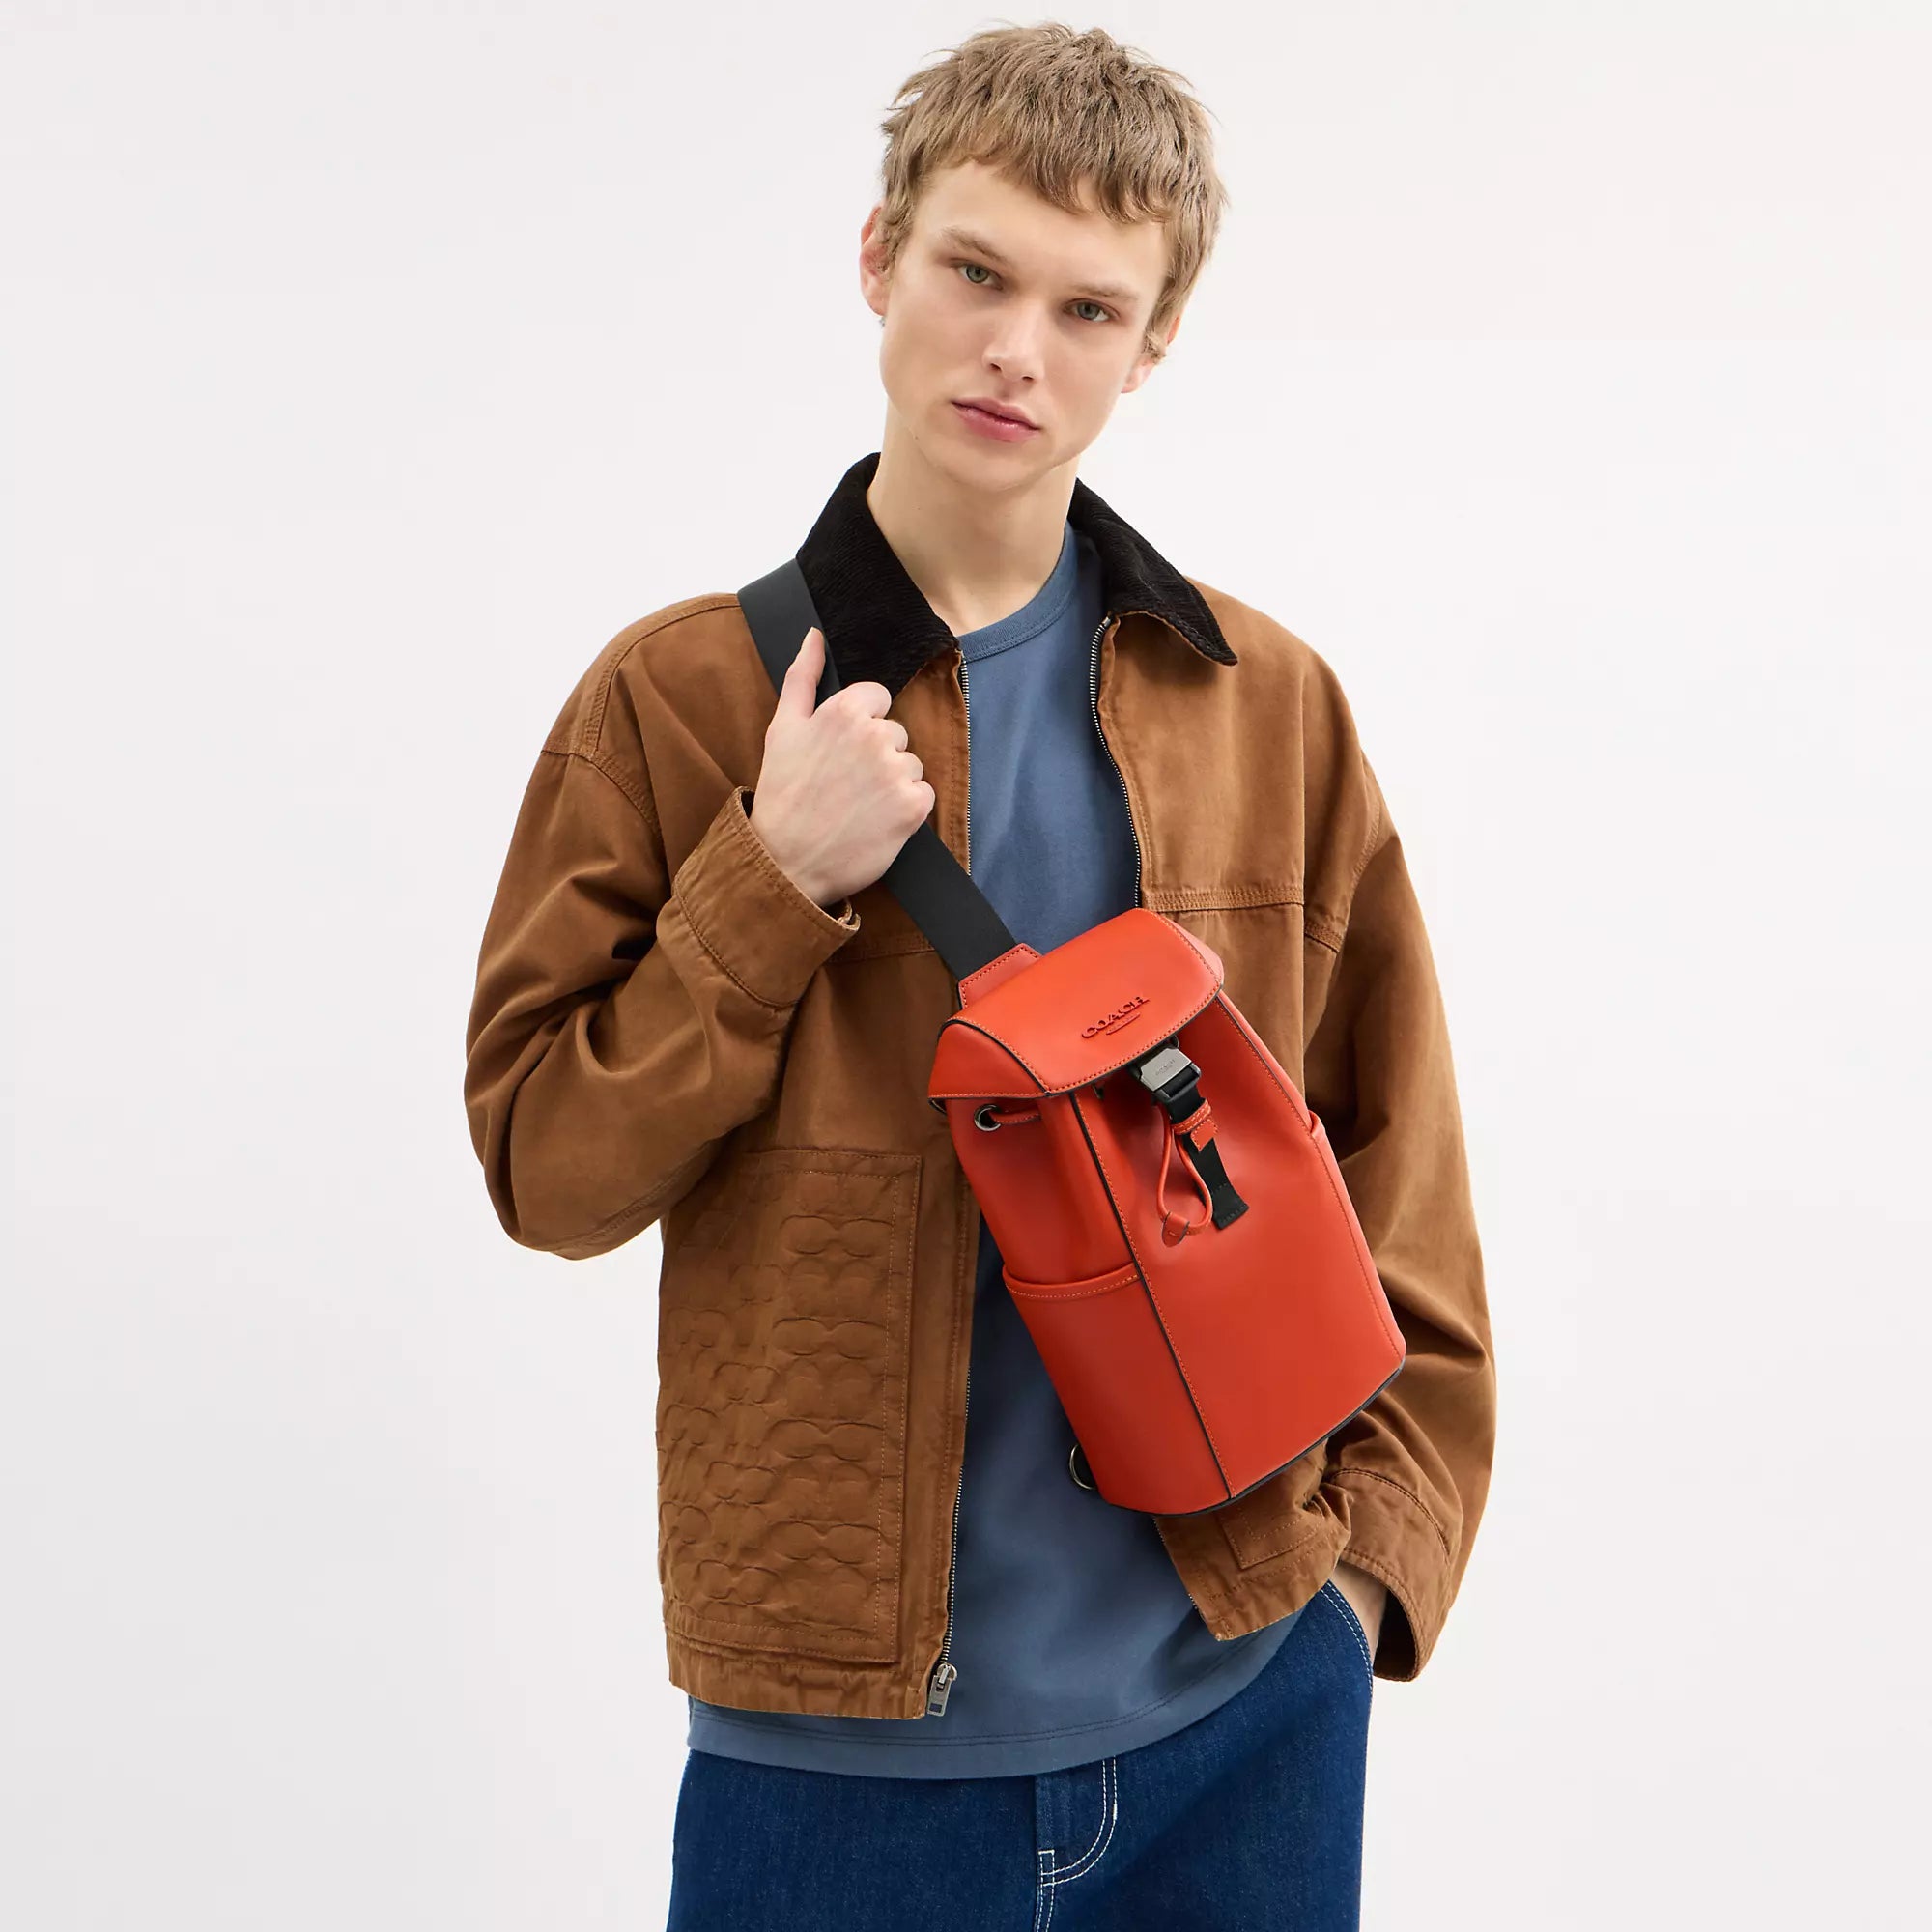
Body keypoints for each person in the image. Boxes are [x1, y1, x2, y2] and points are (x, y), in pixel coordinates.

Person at [462, 21, 1495, 1931]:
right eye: (976, 272)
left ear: (1153, 341)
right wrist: (768, 880)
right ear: (879, 259)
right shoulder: (678, 698)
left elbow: (1397, 1164)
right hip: (834, 1762)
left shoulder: (1265, 707)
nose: (1019, 349)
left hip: (1242, 1714)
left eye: (1088, 307)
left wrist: (1364, 1586)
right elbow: (548, 1170)